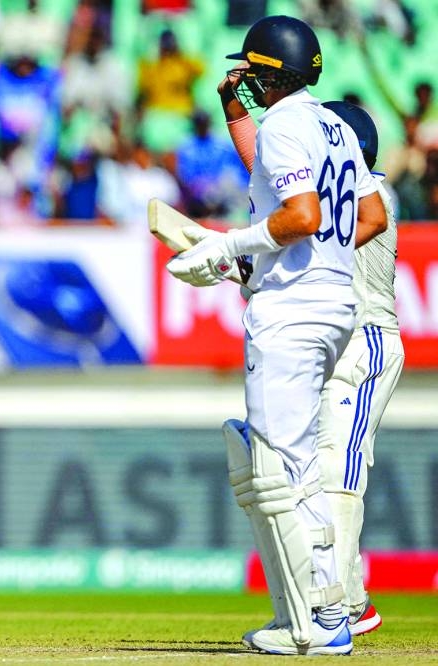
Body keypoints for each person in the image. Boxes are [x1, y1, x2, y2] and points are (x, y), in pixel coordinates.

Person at [165, 16, 388, 656]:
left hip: (293, 313)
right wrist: (288, 258)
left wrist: (226, 248)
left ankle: (319, 624)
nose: (248, 83)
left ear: (269, 72)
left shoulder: (287, 125)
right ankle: (313, 613)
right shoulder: (336, 126)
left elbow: (302, 215)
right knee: (294, 469)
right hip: (334, 302)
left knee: (276, 471)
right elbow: (366, 216)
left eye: (252, 72)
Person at [218, 75, 404, 638]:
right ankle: (339, 602)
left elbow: (300, 207)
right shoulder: (343, 183)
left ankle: (340, 607)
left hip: (366, 342)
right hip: (338, 337)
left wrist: (243, 253)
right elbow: (270, 171)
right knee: (304, 472)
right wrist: (236, 109)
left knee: (333, 475)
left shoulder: (370, 194)